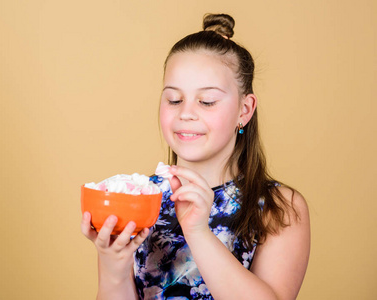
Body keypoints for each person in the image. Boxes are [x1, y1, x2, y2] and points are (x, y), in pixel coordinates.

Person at [81, 13, 310, 300]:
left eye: (207, 101)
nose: (186, 113)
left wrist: (199, 233)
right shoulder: (141, 202)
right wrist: (112, 264)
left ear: (245, 110)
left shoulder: (279, 208)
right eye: (174, 99)